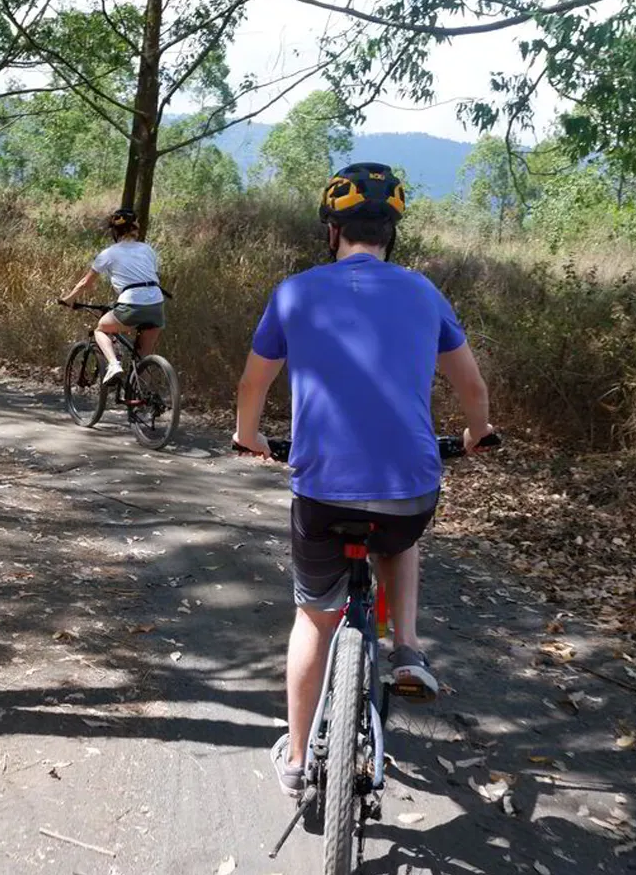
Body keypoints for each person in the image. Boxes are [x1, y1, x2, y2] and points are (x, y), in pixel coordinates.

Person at [232, 162, 495, 799]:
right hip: (408, 491)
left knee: (313, 620)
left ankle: (296, 762)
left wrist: (249, 436)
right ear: (390, 234)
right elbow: (472, 390)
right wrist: (475, 434)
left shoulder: (294, 292)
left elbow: (253, 386)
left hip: (321, 493)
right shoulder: (424, 293)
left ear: (333, 231)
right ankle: (406, 646)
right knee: (401, 542)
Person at [59, 208, 166, 384]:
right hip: (156, 304)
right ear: (135, 229)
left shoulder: (109, 253)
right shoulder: (148, 250)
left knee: (100, 329)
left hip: (132, 303)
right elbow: (151, 275)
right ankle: (144, 399)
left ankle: (114, 365)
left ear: (115, 232)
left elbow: (85, 283)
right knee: (143, 356)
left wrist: (68, 299)